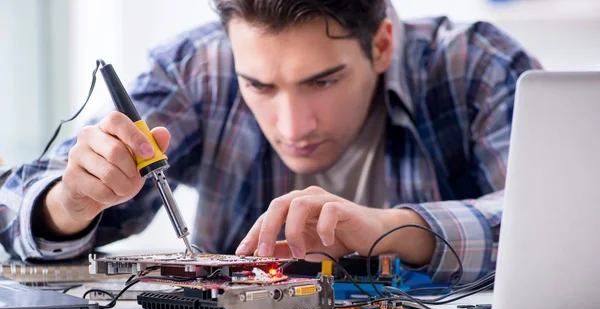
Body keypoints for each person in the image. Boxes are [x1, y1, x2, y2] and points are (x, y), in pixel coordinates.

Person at [0, 0, 541, 284]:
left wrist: (389, 228)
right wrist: (71, 202)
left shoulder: (476, 67)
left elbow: (557, 227)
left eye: (322, 81)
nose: (293, 125)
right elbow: (14, 205)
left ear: (381, 44)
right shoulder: (200, 68)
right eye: (258, 85)